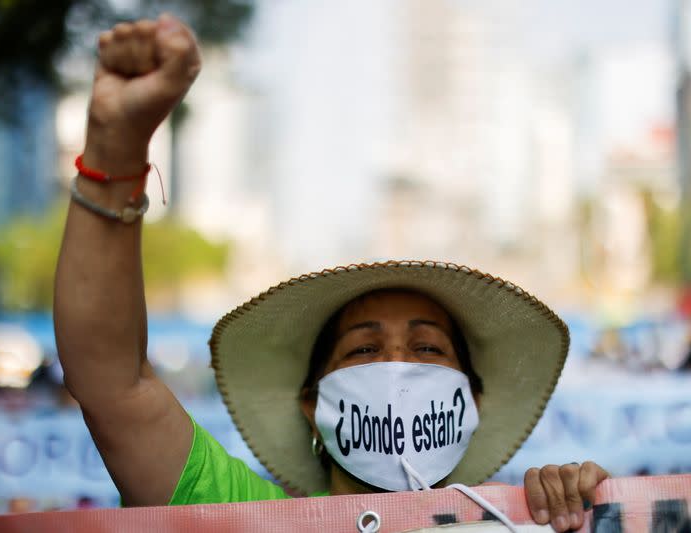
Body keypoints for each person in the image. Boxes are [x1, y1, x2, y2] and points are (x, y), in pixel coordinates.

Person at [53, 14, 609, 532]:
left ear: (473, 403)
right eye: (364, 351)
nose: (397, 369)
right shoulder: (250, 519)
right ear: (313, 403)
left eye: (429, 349)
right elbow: (113, 386)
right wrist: (115, 149)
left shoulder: (520, 524)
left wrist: (605, 514)